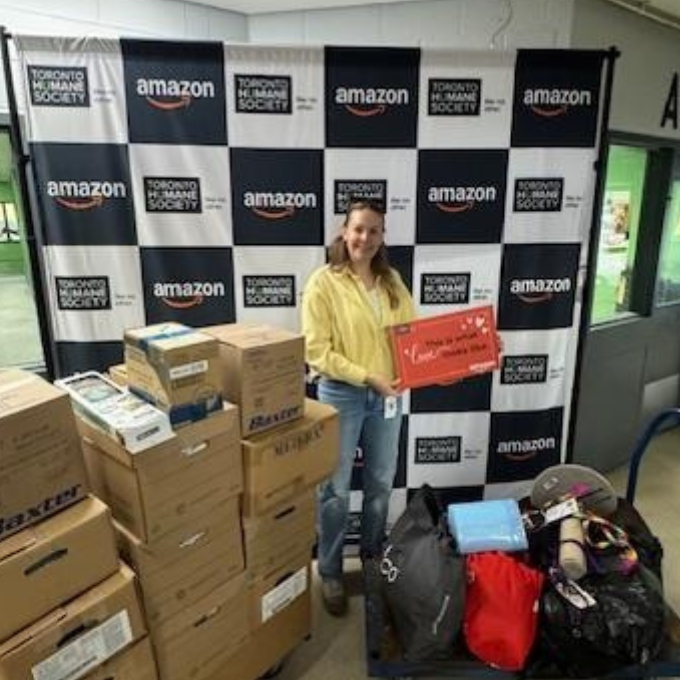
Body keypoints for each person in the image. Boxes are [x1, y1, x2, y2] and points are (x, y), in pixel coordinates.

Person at [301, 199, 416, 616]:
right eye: (358, 229)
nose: (365, 239)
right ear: (344, 231)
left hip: (387, 397)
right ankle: (330, 572)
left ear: (382, 236)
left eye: (374, 231)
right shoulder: (323, 283)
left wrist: (466, 353)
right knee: (333, 489)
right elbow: (318, 353)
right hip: (342, 394)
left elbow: (412, 337)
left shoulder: (392, 282)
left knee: (381, 484)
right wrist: (369, 378)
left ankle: (370, 562)